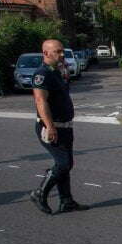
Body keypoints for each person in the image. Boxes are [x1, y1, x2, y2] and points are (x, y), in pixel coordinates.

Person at [30, 39, 89, 215]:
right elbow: (41, 101)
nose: (61, 54)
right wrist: (50, 126)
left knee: (65, 164)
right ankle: (40, 193)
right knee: (64, 163)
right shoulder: (42, 74)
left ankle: (66, 201)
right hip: (52, 127)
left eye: (62, 51)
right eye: (57, 51)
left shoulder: (57, 71)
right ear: (46, 53)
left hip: (65, 126)